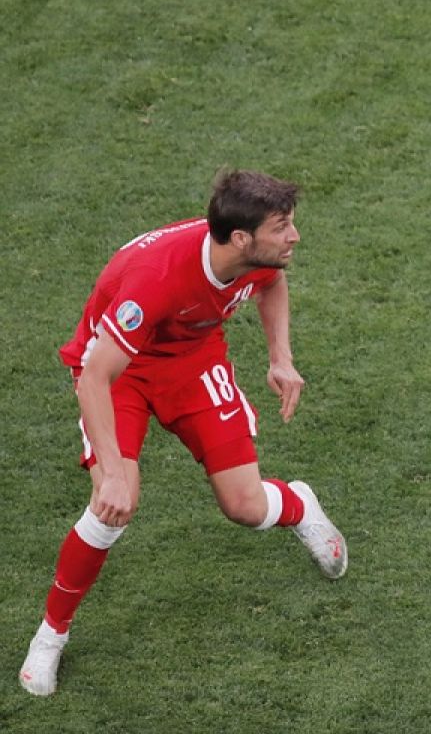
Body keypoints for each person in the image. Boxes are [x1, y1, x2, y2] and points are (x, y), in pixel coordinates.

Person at [19, 169, 348, 696]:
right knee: (113, 508)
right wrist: (110, 475)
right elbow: (96, 376)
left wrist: (280, 358)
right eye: (283, 227)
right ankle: (50, 635)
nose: (294, 237)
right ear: (242, 237)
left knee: (244, 506)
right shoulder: (157, 279)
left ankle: (299, 505)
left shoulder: (251, 255)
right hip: (118, 373)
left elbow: (271, 282)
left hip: (192, 362)